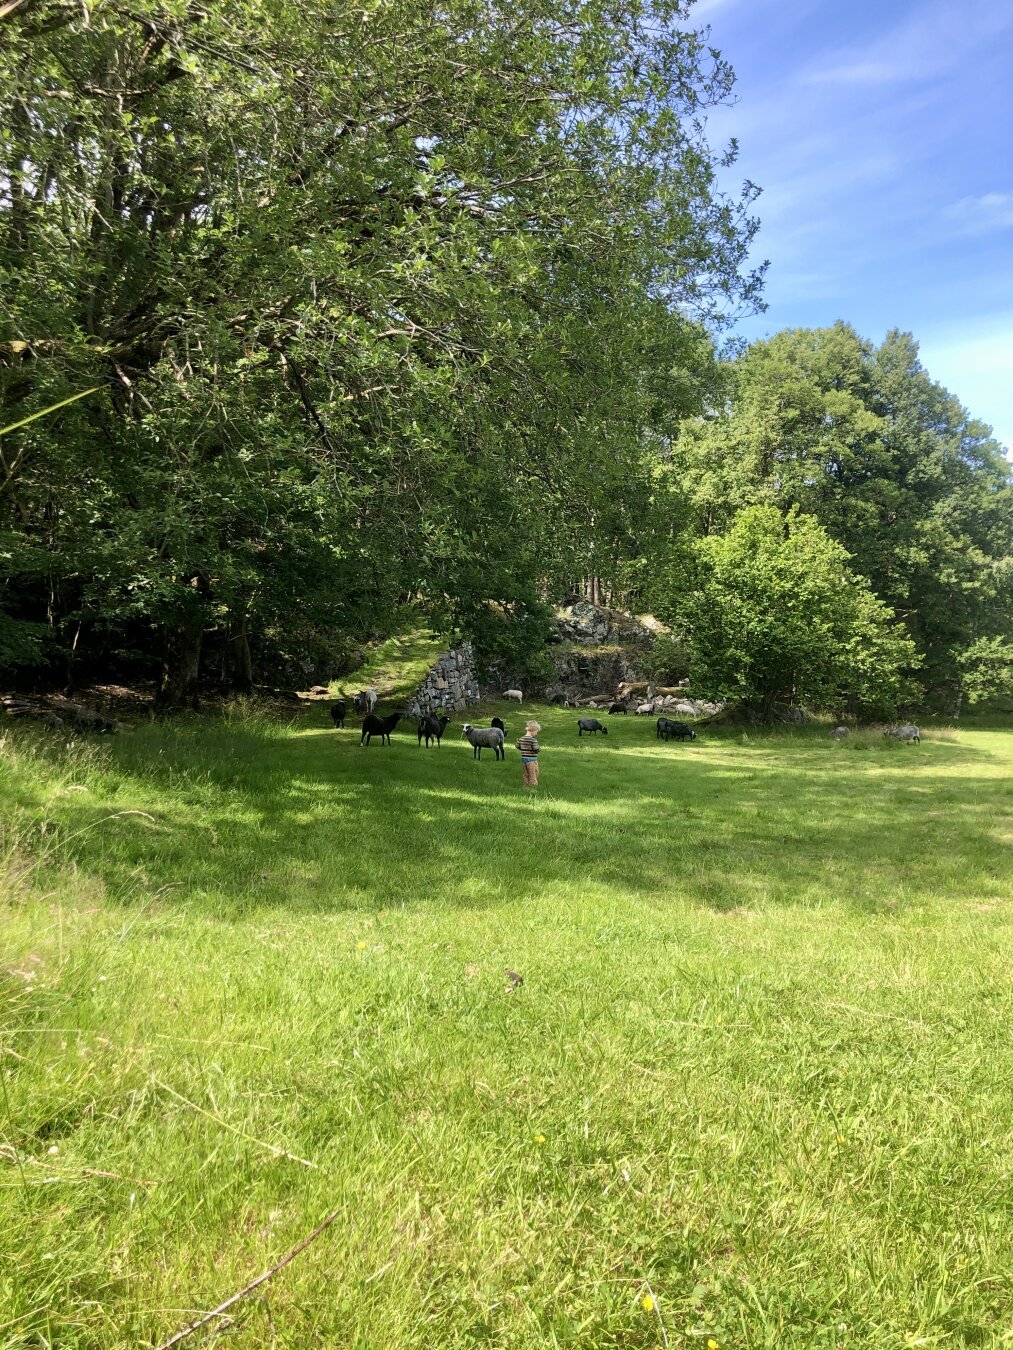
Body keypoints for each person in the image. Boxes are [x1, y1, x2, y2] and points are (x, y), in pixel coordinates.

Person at [515, 720, 541, 788]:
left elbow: (517, 746)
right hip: (532, 760)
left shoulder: (521, 739)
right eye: (536, 732)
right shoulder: (533, 740)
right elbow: (536, 749)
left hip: (524, 760)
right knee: (534, 773)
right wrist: (539, 749)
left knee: (525, 773)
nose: (536, 734)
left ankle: (525, 785)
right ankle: (533, 786)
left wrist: (522, 749)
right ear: (533, 730)